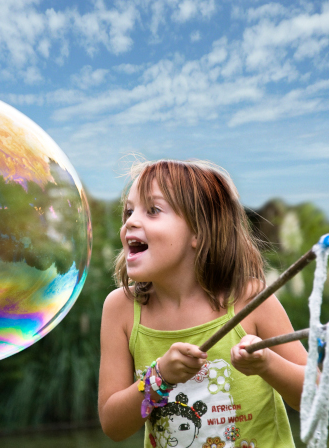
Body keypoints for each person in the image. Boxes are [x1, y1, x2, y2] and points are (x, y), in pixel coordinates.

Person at [98, 159, 308, 448]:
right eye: (129, 211)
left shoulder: (249, 299)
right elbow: (113, 424)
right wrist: (159, 378)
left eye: (153, 211)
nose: (131, 221)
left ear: (198, 232)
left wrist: (267, 364)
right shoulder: (121, 309)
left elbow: (315, 392)